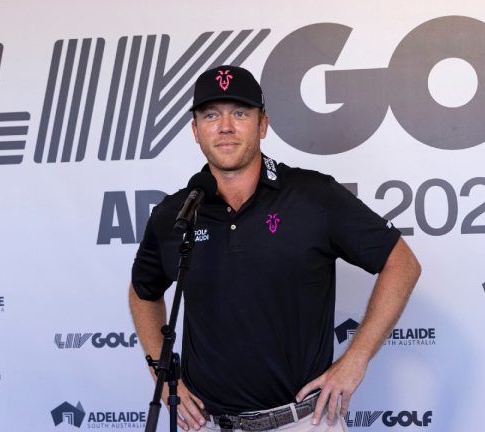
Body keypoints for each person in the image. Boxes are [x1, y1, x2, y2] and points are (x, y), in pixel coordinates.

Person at [129, 65, 421, 432]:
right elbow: (143, 291)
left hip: (302, 420)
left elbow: (402, 263)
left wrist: (356, 359)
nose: (225, 127)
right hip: (207, 424)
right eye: (211, 115)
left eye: (240, 114)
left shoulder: (313, 196)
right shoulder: (175, 213)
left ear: (262, 125)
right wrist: (162, 371)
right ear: (195, 131)